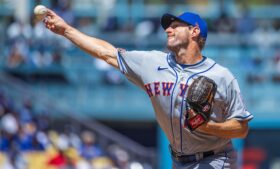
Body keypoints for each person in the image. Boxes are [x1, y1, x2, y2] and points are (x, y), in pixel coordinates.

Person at [42, 8, 253, 169]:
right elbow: (107, 53)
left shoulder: (221, 76)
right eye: (167, 26)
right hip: (178, 161)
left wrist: (208, 128)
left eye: (176, 25)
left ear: (194, 31)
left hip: (215, 159)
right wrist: (66, 30)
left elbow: (241, 128)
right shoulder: (152, 63)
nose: (168, 29)